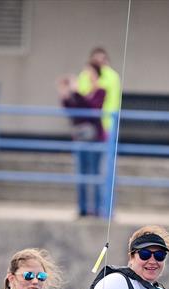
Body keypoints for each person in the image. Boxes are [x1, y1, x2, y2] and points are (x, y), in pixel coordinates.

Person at [57, 63, 106, 217]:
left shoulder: (100, 92)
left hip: (95, 139)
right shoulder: (85, 94)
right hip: (80, 138)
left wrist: (76, 92)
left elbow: (91, 110)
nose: (86, 75)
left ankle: (97, 209)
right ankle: (83, 209)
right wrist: (65, 95)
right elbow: (74, 112)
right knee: (81, 175)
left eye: (89, 72)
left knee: (94, 174)